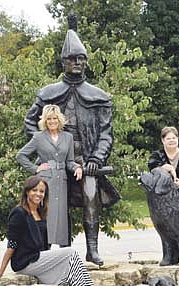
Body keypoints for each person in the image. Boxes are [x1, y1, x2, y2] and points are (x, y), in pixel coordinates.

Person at [24, 14, 120, 266]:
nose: (77, 63)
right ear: (63, 62)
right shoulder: (48, 94)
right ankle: (48, 249)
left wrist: (96, 159)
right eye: (71, 59)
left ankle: (92, 249)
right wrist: (43, 149)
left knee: (90, 194)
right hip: (55, 158)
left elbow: (105, 134)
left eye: (81, 59)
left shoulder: (100, 98)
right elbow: (29, 121)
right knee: (47, 199)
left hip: (84, 160)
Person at [0, 176, 117, 286]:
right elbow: (12, 245)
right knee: (71, 253)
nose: (38, 194)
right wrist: (1, 271)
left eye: (42, 191)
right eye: (34, 190)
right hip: (25, 262)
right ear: (26, 192)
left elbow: (43, 244)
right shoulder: (19, 213)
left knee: (75, 268)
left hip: (39, 260)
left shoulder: (41, 212)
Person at [17, 104, 83, 246]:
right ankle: (43, 250)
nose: (52, 121)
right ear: (45, 121)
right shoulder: (38, 137)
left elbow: (70, 161)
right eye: (49, 119)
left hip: (62, 181)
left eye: (54, 118)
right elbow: (21, 155)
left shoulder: (68, 137)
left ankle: (62, 254)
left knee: (61, 219)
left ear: (59, 120)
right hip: (45, 181)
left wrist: (77, 167)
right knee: (46, 214)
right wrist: (35, 169)